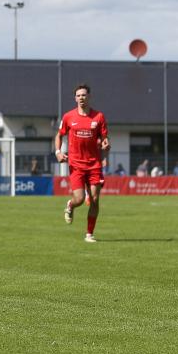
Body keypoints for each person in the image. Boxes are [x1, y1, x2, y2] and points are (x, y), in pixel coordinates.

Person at [56, 83, 110, 243]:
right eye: (78, 95)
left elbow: (104, 138)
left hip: (94, 165)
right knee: (79, 199)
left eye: (84, 95)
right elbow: (59, 135)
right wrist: (58, 152)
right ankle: (70, 205)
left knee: (94, 199)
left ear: (89, 97)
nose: (81, 98)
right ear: (75, 98)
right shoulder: (68, 117)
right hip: (76, 165)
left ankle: (89, 234)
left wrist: (106, 146)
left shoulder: (99, 116)